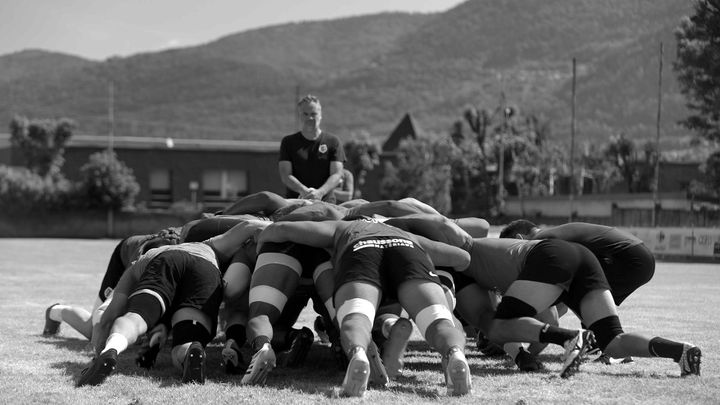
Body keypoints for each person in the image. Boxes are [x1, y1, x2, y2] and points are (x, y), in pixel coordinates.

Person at [255, 217, 473, 397]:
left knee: (356, 318)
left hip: (361, 249)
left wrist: (262, 238)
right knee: (438, 319)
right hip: (408, 250)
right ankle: (454, 354)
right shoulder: (403, 232)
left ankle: (358, 353)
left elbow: (282, 229)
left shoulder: (344, 225)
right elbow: (462, 258)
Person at [447, 237, 702, 378]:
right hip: (579, 255)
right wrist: (522, 354)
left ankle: (572, 340)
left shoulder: (461, 265)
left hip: (551, 256)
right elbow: (547, 316)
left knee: (496, 328)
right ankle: (681, 351)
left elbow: (489, 322)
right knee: (613, 340)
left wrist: (520, 354)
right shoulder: (487, 252)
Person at [76, 220, 267, 386]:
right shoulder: (209, 245)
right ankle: (191, 350)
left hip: (162, 263)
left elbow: (110, 315)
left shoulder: (140, 262)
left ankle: (113, 349)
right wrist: (280, 225)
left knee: (135, 318)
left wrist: (100, 350)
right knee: (188, 336)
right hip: (204, 266)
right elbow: (248, 226)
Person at [43, 229, 180, 340]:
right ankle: (55, 311)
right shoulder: (139, 265)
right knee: (94, 329)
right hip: (127, 254)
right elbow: (102, 316)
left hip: (161, 253)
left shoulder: (186, 260)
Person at [499, 220, 655, 307]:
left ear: (519, 239)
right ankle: (599, 342)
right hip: (639, 256)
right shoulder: (554, 232)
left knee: (582, 293)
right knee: (586, 293)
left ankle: (604, 344)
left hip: (629, 258)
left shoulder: (541, 241)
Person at [278, 94, 346, 203]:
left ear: (320, 115)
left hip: (326, 204)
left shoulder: (333, 141)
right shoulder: (288, 142)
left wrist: (320, 193)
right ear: (300, 115)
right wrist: (304, 192)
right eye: (305, 114)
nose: (310, 118)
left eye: (314, 114)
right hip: (295, 204)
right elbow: (285, 175)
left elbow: (337, 174)